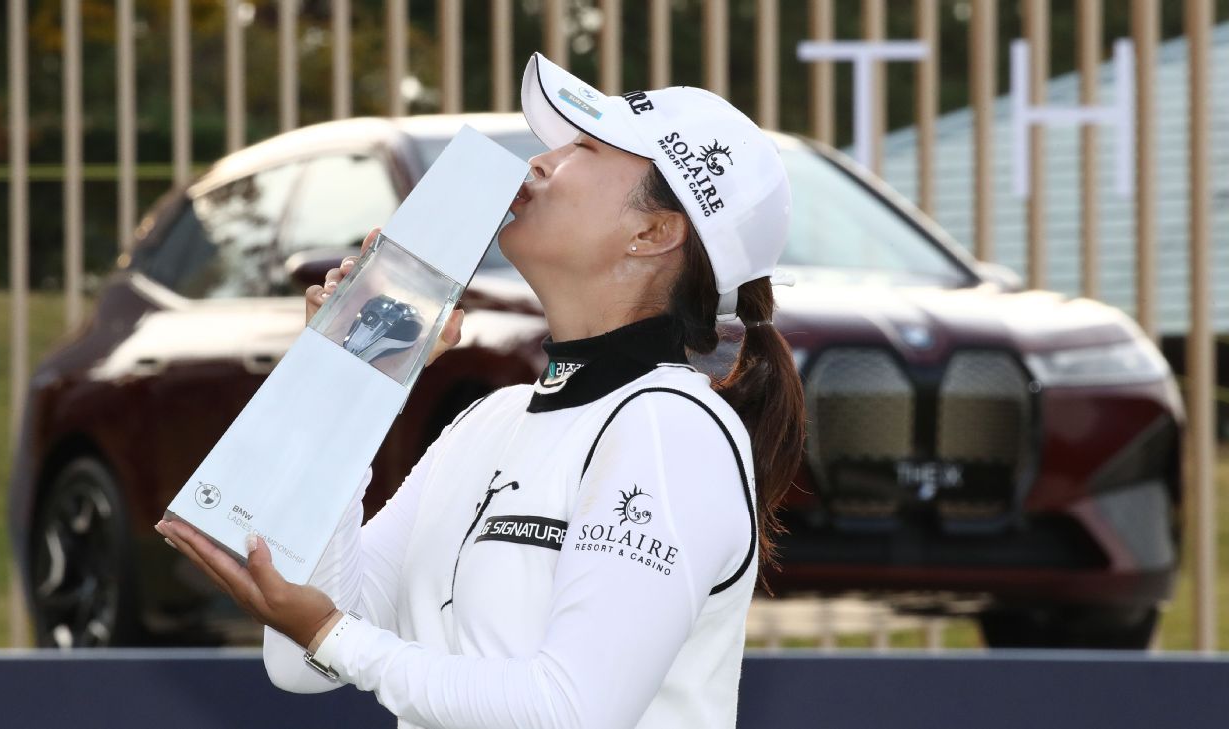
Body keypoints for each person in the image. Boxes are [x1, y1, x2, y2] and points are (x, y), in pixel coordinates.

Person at [156, 51, 806, 729]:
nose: (539, 163)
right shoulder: (490, 420)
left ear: (653, 232)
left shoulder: (673, 429)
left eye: (583, 148)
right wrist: (355, 381)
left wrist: (331, 636)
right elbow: (301, 662)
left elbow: (571, 710)